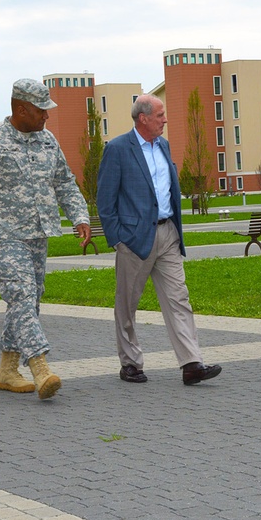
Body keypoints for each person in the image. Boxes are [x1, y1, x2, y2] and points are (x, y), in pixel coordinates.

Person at [0, 78, 91, 400]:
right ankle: (40, 367)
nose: (46, 117)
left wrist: (80, 216)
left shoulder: (48, 140)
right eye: (42, 111)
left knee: (29, 300)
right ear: (21, 109)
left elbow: (65, 181)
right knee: (21, 295)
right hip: (4, 234)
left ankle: (8, 371)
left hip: (39, 232)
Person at [96, 94, 222, 386]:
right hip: (134, 239)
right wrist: (118, 239)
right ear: (143, 118)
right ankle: (130, 363)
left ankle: (191, 363)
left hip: (168, 234)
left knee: (179, 299)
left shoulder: (163, 145)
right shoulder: (117, 149)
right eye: (160, 115)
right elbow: (106, 200)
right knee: (127, 304)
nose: (165, 120)